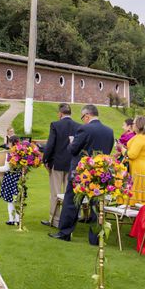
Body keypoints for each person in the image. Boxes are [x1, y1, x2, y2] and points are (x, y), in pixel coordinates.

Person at [49, 104, 114, 244]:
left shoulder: (84, 128)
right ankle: (95, 238)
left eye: (82, 117)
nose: (82, 120)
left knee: (71, 202)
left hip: (82, 172)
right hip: (99, 174)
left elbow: (73, 150)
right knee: (96, 205)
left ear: (87, 116)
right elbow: (108, 150)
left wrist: (72, 142)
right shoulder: (109, 131)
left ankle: (65, 232)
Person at [41, 103, 80, 228]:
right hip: (72, 164)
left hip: (57, 163)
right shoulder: (78, 126)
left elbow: (50, 144)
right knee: (70, 193)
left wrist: (45, 159)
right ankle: (69, 219)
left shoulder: (56, 125)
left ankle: (56, 220)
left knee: (55, 193)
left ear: (60, 113)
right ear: (70, 113)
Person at [0, 136, 22, 225]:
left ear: (11, 143)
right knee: (17, 199)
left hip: (10, 179)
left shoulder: (10, 154)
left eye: (9, 142)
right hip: (19, 178)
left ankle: (11, 219)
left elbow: (6, 168)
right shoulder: (21, 153)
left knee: (10, 201)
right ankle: (17, 219)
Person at [126, 116, 145, 205]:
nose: (132, 125)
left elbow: (132, 155)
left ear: (139, 125)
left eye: (134, 123)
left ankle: (135, 207)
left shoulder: (140, 138)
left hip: (138, 167)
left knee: (137, 189)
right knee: (144, 191)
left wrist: (122, 149)